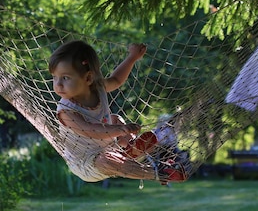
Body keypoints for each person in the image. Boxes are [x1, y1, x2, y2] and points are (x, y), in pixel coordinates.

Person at [48, 40, 189, 185]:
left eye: (65, 78)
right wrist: (119, 130)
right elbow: (89, 130)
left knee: (115, 118)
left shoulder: (98, 88)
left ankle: (129, 147)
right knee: (108, 154)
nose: (58, 84)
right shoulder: (66, 111)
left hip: (108, 146)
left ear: (88, 78)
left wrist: (132, 58)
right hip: (85, 162)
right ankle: (161, 173)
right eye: (55, 77)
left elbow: (116, 79)